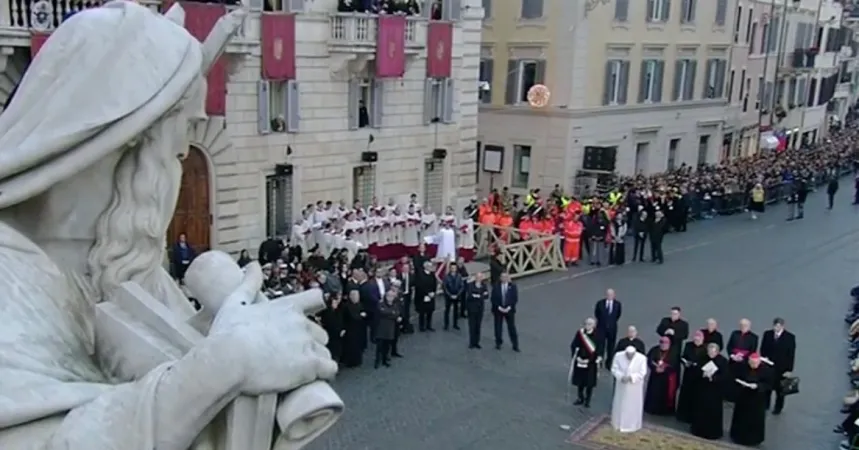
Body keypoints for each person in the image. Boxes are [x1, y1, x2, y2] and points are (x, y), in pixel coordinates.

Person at [729, 353, 771, 446]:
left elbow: (769, 384)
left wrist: (757, 386)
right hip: (743, 398)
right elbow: (736, 377)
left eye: (755, 363)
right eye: (751, 363)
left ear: (759, 362)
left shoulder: (766, 370)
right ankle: (737, 437)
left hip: (757, 400)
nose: (753, 365)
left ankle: (753, 440)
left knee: (754, 421)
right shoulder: (743, 367)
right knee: (740, 418)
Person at [690, 343, 729, 440]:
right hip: (702, 389)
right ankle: (697, 430)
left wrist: (713, 378)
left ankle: (712, 433)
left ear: (717, 352)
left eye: (713, 352)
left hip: (715, 391)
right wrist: (702, 374)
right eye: (709, 352)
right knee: (700, 410)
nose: (711, 354)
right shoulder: (702, 358)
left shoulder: (723, 361)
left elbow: (725, 376)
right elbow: (696, 371)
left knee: (713, 412)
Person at [760, 317, 796, 414]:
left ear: (782, 326)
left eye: (779, 326)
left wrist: (789, 369)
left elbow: (791, 354)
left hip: (782, 368)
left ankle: (778, 408)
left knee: (780, 389)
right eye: (775, 326)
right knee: (767, 387)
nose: (776, 328)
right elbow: (763, 349)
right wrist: (763, 359)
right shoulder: (767, 334)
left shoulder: (790, 337)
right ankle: (765, 405)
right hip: (768, 366)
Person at [609, 346, 648, 432]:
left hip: (634, 387)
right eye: (628, 355)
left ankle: (631, 425)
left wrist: (631, 378)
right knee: (620, 403)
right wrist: (621, 376)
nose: (629, 356)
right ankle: (617, 423)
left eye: (631, 355)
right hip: (621, 385)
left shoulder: (642, 358)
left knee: (632, 406)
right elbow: (614, 369)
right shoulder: (618, 355)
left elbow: (642, 372)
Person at [569, 318, 603, 407]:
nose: (587, 326)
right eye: (586, 324)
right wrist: (576, 357)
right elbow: (574, 345)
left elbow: (599, 348)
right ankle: (580, 397)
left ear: (594, 325)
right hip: (580, 359)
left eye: (590, 324)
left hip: (591, 362)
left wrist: (595, 359)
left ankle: (588, 400)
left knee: (589, 383)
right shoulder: (580, 333)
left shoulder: (598, 335)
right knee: (580, 382)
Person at [676, 331, 707, 423]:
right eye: (695, 339)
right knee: (685, 394)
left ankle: (692, 415)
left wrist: (698, 365)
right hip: (688, 373)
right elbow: (683, 356)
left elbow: (705, 360)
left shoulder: (705, 348)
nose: (696, 341)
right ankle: (682, 415)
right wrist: (685, 362)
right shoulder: (688, 345)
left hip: (698, 375)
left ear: (702, 339)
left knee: (695, 395)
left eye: (699, 339)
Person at [644, 337, 679, 416]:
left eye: (666, 342)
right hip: (655, 376)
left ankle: (663, 411)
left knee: (664, 395)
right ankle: (651, 409)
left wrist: (664, 369)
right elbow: (649, 360)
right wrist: (654, 368)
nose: (663, 344)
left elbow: (675, 364)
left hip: (666, 378)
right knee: (653, 393)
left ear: (669, 344)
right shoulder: (655, 349)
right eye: (662, 342)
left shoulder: (673, 352)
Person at [726, 318, 759, 402]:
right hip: (733, 361)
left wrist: (743, 357)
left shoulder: (754, 337)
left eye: (745, 325)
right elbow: (729, 346)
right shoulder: (734, 334)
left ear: (749, 326)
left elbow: (752, 350)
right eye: (741, 325)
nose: (743, 327)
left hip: (744, 362)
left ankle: (740, 397)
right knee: (731, 379)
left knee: (742, 379)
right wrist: (732, 355)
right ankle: (729, 397)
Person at [594, 289, 622, 369]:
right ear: (606, 295)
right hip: (601, 328)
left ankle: (609, 363)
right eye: (608, 294)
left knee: (611, 347)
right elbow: (597, 314)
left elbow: (618, 315)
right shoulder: (600, 303)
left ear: (614, 295)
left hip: (612, 329)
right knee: (600, 346)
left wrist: (611, 322)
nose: (609, 296)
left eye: (611, 294)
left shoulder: (617, 304)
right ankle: (600, 361)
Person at [491, 272, 519, 352]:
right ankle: (498, 343)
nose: (504, 278)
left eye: (505, 277)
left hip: (509, 310)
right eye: (502, 277)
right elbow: (493, 298)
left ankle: (515, 344)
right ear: (500, 278)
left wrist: (509, 307)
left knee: (511, 327)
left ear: (508, 278)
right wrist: (499, 307)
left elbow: (515, 298)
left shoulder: (513, 286)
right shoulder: (496, 286)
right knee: (498, 327)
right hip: (498, 309)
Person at [374, 290, 401, 369]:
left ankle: (384, 360)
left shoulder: (395, 305)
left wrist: (391, 314)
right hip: (381, 328)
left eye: (392, 296)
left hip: (390, 328)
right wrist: (392, 314)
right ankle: (377, 361)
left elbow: (396, 313)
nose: (390, 298)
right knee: (379, 346)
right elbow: (382, 312)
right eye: (389, 296)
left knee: (387, 346)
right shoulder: (381, 304)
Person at [341, 290, 367, 368]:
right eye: (354, 296)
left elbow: (364, 312)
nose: (356, 298)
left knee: (358, 345)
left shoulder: (360, 304)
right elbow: (353, 317)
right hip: (351, 328)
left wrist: (363, 315)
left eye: (357, 296)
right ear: (350, 297)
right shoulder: (346, 306)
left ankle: (358, 360)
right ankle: (351, 362)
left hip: (359, 328)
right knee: (351, 346)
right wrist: (361, 315)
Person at [465, 272, 489, 349]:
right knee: (472, 326)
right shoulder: (471, 285)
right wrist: (480, 295)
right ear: (475, 277)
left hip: (480, 309)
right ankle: (472, 342)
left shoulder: (484, 285)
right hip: (472, 309)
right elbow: (470, 296)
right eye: (478, 277)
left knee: (478, 326)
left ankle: (477, 342)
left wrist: (477, 295)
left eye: (480, 277)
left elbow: (486, 295)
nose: (479, 278)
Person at [414, 261, 438, 332]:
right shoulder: (420, 275)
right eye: (430, 266)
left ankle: (429, 325)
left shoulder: (432, 274)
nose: (431, 268)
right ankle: (421, 326)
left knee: (430, 311)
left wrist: (433, 292)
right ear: (426, 267)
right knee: (422, 312)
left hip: (431, 295)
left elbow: (434, 284)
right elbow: (419, 286)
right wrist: (427, 293)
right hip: (422, 296)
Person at [442, 263, 465, 330]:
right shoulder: (446, 277)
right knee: (447, 310)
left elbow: (462, 286)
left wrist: (457, 295)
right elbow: (444, 287)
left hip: (456, 295)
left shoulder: (459, 276)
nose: (453, 269)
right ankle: (446, 325)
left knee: (456, 310)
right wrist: (450, 295)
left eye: (454, 268)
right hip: (448, 296)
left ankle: (455, 324)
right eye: (452, 268)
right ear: (450, 268)